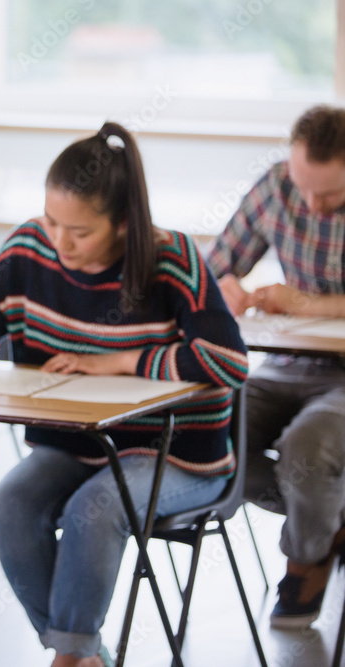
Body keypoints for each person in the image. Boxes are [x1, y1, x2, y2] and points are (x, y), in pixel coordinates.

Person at [0, 122, 248, 667]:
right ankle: (86, 655)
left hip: (180, 455)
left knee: (92, 511)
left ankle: (71, 660)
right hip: (74, 445)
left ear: (123, 224)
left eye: (79, 230)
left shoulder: (172, 258)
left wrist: (121, 362)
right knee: (9, 506)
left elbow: (229, 361)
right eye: (51, 219)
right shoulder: (29, 247)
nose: (58, 240)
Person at [207, 104, 345, 628]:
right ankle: (328, 519)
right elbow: (212, 269)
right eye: (303, 186)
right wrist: (227, 289)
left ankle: (305, 558)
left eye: (328, 195)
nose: (311, 203)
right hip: (284, 364)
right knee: (209, 435)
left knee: (306, 448)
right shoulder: (277, 185)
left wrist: (311, 304)